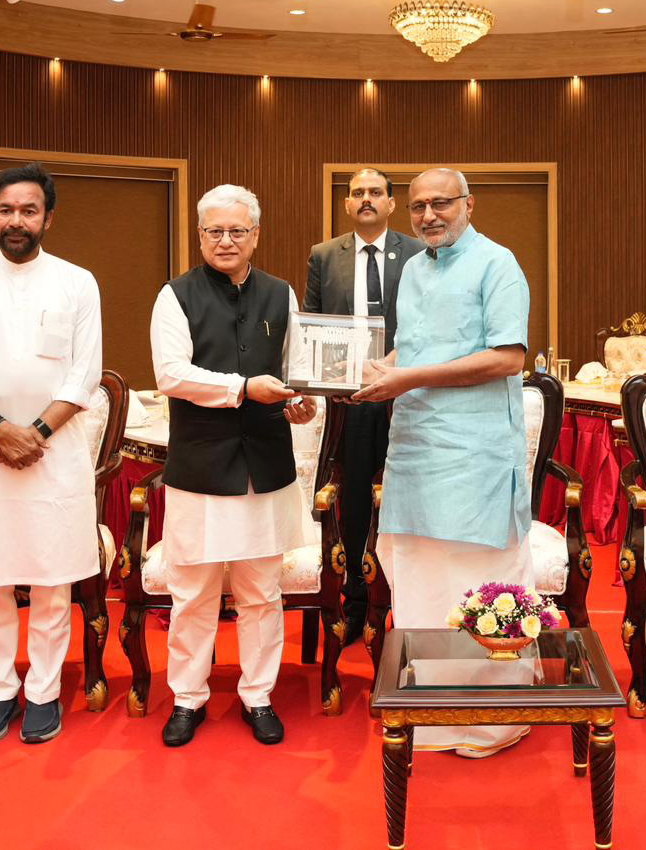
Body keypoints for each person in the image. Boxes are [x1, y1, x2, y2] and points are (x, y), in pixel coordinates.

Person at [354, 167, 534, 757]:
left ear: (469, 204)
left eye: (441, 204)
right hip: (417, 448)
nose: (429, 215)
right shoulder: (411, 270)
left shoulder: (498, 264)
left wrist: (409, 377)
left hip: (476, 454)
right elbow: (416, 345)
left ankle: (492, 721)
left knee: (477, 582)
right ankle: (431, 712)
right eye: (418, 207)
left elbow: (507, 357)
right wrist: (377, 368)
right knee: (422, 580)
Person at [0, 162, 103, 745]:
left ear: (47, 218)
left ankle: (44, 692)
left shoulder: (77, 282)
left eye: (29, 210)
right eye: (6, 209)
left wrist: (35, 432)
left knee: (53, 578)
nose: (16, 220)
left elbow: (83, 375)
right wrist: (1, 427)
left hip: (54, 453)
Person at [151, 184, 319, 748]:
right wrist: (245, 388)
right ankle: (188, 697)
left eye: (237, 231)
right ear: (199, 235)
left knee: (260, 592)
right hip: (201, 468)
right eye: (214, 231)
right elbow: (171, 374)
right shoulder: (175, 295)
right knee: (193, 593)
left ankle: (259, 695)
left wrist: (301, 400)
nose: (225, 240)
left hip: (264, 467)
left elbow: (297, 367)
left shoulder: (281, 294)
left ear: (255, 236)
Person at [303, 168, 423, 643]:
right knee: (352, 502)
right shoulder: (324, 256)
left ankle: (402, 603)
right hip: (347, 402)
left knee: (402, 498)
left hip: (406, 398)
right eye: (358, 194)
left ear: (392, 203)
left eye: (376, 192)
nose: (366, 200)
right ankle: (353, 600)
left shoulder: (416, 253)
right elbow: (312, 326)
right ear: (348, 205)